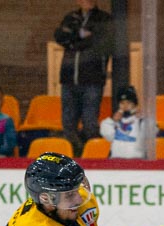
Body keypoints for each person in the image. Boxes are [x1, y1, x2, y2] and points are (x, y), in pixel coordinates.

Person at [54, 0, 113, 157]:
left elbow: (98, 43)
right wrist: (80, 35)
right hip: (69, 79)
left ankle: (91, 157)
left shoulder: (104, 19)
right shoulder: (70, 17)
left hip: (92, 79)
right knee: (68, 123)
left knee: (90, 123)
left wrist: (73, 41)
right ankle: (73, 156)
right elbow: (59, 36)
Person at [99, 84, 155, 159]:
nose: (125, 106)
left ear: (134, 104)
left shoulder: (140, 121)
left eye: (128, 103)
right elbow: (107, 134)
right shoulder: (115, 122)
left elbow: (152, 132)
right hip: (116, 160)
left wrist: (144, 118)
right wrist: (112, 120)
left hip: (136, 160)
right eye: (122, 103)